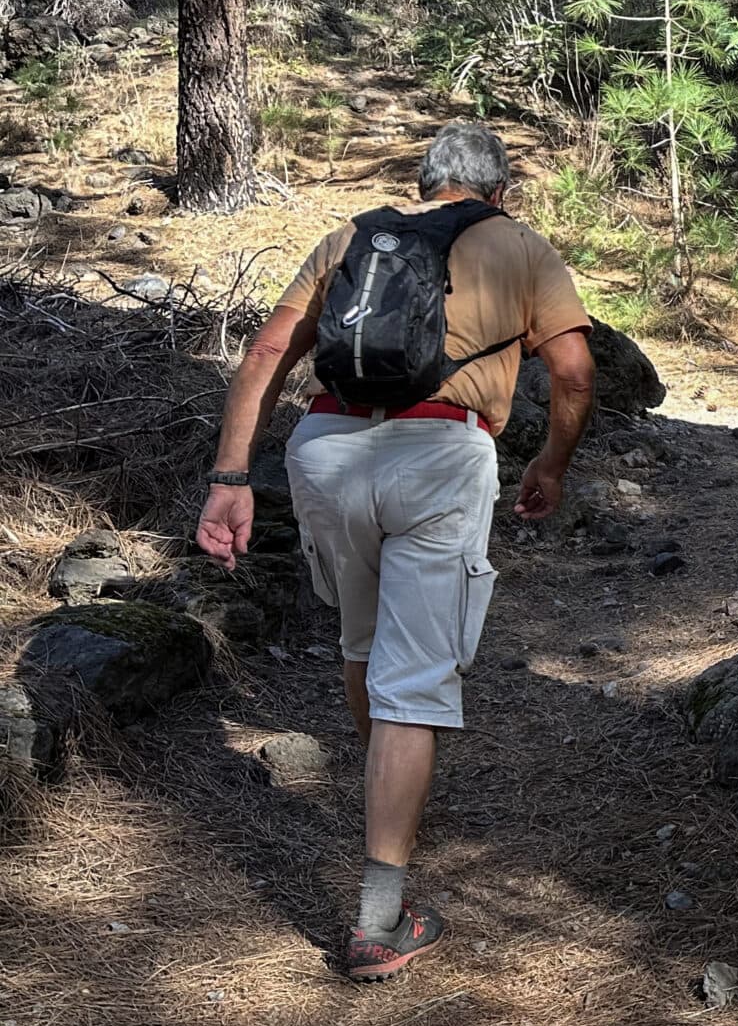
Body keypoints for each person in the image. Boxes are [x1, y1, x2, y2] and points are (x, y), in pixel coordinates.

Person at [195, 121, 597, 982]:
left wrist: (231, 474)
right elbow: (572, 371)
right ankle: (381, 917)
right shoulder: (520, 245)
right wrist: (552, 465)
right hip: (440, 455)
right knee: (414, 677)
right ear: (499, 192)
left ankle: (389, 782)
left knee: (362, 642)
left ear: (425, 184)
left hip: (326, 451)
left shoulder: (352, 237)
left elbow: (269, 349)